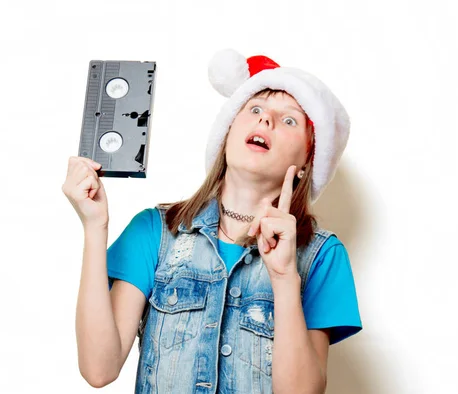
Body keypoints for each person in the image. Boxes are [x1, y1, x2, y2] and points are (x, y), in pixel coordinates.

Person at [63, 48, 362, 393]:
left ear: (309, 159)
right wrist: (94, 226)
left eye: (289, 119)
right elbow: (98, 369)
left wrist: (283, 278)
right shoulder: (154, 232)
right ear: (228, 130)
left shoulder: (322, 256)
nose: (266, 120)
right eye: (254, 109)